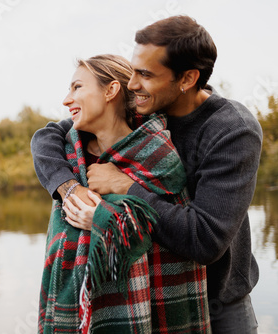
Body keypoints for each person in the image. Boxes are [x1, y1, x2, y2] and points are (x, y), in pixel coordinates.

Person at [31, 15, 262, 333]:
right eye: (134, 69)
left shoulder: (232, 130)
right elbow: (48, 137)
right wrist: (68, 187)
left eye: (146, 74)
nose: (132, 83)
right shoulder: (143, 109)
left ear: (187, 78)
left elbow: (204, 239)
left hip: (218, 300)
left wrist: (124, 187)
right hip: (149, 295)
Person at [37, 54, 210, 334]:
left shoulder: (159, 157)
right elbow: (42, 138)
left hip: (149, 311)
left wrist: (102, 219)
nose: (66, 99)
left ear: (111, 90)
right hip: (73, 312)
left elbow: (177, 232)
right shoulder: (66, 154)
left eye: (77, 87)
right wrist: (71, 190)